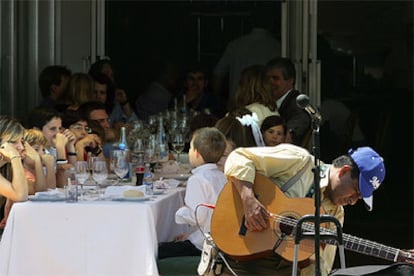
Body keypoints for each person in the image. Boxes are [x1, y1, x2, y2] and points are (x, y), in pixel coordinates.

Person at [220, 144, 385, 275]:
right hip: (236, 261)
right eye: (356, 191)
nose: (353, 201)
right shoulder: (300, 163)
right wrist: (248, 199)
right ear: (344, 171)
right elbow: (239, 157)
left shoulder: (335, 214)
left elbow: (321, 265)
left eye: (360, 198)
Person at [158, 127, 227, 259]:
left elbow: (197, 216)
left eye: (189, 148)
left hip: (202, 245)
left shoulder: (197, 179)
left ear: (196, 153)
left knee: (157, 251)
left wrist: (180, 212)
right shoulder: (221, 176)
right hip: (218, 241)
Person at [212, 7, 281, 111]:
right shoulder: (277, 47)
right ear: (271, 23)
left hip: (236, 105)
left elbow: (218, 75)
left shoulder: (235, 45)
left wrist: (216, 100)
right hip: (267, 105)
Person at [265, 57, 311, 147]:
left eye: (275, 78)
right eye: (268, 79)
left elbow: (302, 118)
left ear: (290, 81)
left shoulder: (296, 102)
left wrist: (288, 132)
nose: (270, 82)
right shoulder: (270, 102)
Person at [0, 116, 29, 202]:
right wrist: (14, 156)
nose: (21, 147)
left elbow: (38, 190)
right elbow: (21, 196)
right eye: (13, 142)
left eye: (22, 141)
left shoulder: (8, 167)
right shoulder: (14, 160)